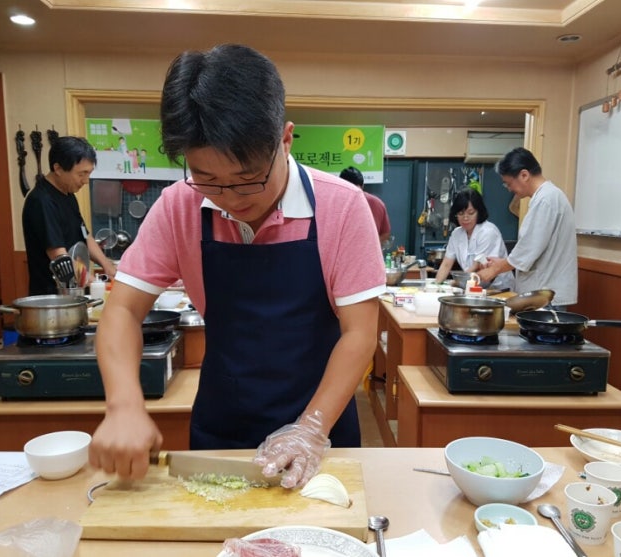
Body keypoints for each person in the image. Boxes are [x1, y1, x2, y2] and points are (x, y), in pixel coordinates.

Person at [88, 44, 386, 488]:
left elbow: (359, 334)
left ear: (285, 140)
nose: (227, 198)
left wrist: (310, 429)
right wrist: (124, 405)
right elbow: (123, 310)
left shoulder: (342, 207)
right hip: (222, 424)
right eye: (206, 178)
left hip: (321, 428)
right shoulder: (178, 206)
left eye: (247, 180)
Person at [476, 147, 577, 308]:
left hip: (545, 296)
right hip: (543, 293)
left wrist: (493, 270)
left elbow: (528, 249)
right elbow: (532, 250)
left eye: (509, 183)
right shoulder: (547, 197)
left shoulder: (546, 200)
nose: (509, 189)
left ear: (524, 175)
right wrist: (503, 262)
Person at [22, 136, 117, 296]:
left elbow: (85, 235)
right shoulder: (42, 201)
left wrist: (107, 266)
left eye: (89, 173)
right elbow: (60, 258)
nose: (86, 180)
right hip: (52, 297)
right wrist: (94, 282)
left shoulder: (68, 195)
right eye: (81, 174)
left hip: (74, 290)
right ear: (58, 168)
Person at [434, 189, 514, 291]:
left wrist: (456, 281)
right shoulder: (456, 234)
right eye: (461, 213)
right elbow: (446, 264)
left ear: (479, 212)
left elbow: (477, 266)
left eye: (471, 213)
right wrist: (436, 286)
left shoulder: (488, 232)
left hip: (497, 288)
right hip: (471, 284)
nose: (465, 218)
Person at [339, 166, 391, 245]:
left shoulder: (336, 203)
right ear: (363, 185)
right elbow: (385, 234)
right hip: (370, 254)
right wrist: (371, 246)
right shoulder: (377, 203)